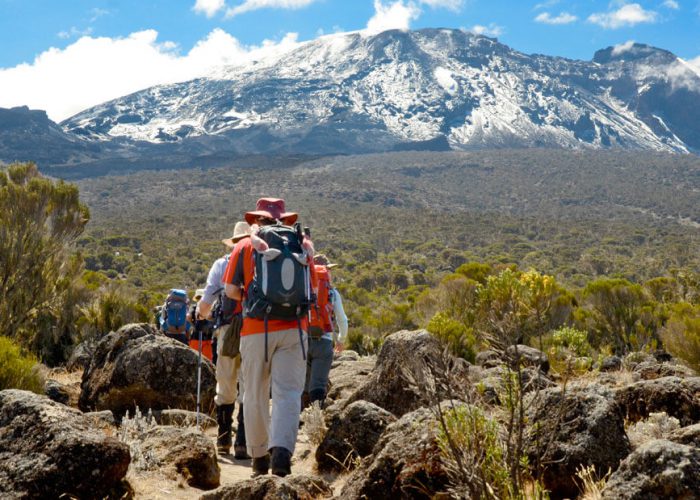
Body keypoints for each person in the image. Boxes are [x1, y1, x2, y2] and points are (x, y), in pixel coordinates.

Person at [223, 197, 311, 478]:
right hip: (295, 328)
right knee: (288, 392)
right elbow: (312, 291)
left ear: (256, 220)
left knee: (254, 393)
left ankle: (259, 458)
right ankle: (282, 455)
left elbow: (229, 290)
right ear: (284, 219)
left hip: (256, 329)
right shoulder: (299, 243)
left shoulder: (245, 245)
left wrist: (252, 297)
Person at [196, 221, 251, 458]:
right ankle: (243, 442)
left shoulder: (221, 264)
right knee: (249, 386)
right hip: (254, 330)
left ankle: (223, 438)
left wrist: (199, 314)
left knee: (226, 383)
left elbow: (207, 299)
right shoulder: (258, 261)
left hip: (227, 330)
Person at [303, 254, 349, 408]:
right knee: (318, 383)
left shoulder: (303, 289)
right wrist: (341, 339)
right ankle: (316, 417)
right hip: (324, 342)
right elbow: (342, 320)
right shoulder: (332, 293)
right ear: (326, 270)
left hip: (302, 340)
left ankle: (298, 421)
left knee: (303, 383)